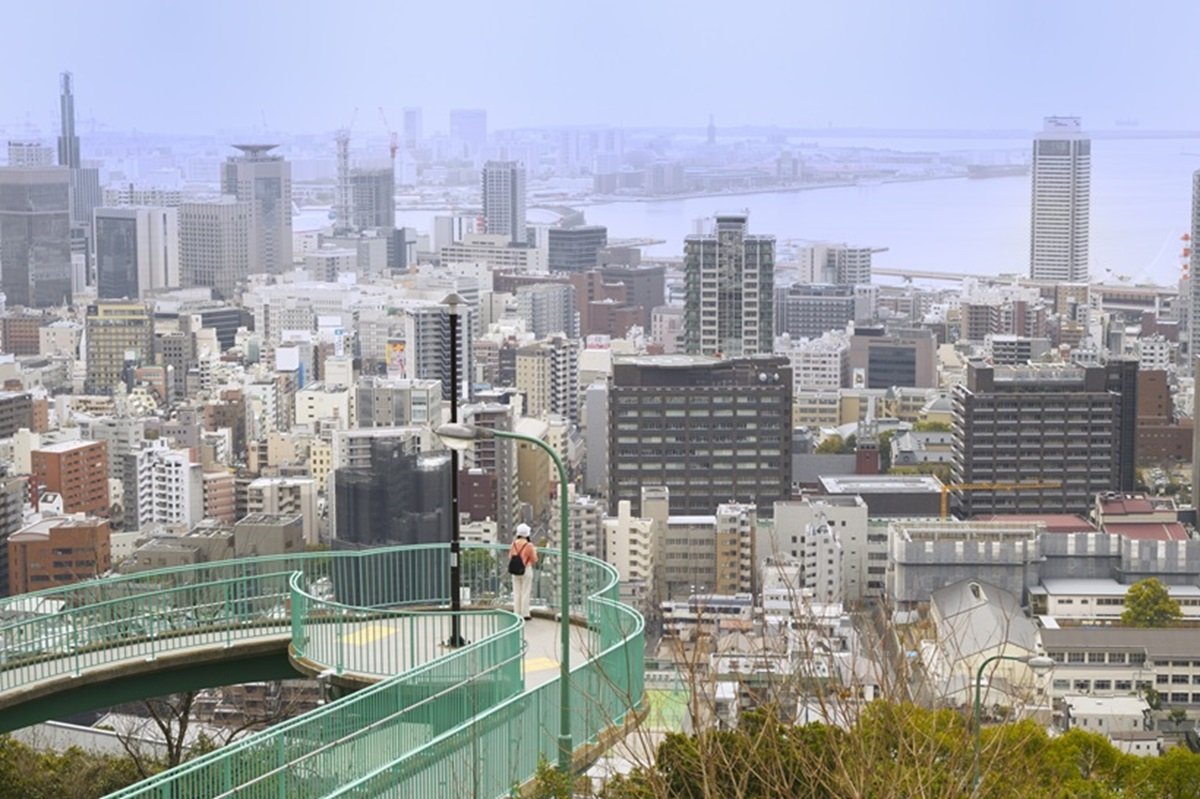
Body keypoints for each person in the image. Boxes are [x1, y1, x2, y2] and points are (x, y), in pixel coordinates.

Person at [509, 524, 538, 620]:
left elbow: (510, 556)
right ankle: (525, 613)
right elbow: (534, 559)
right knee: (525, 591)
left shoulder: (513, 544)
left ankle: (516, 612)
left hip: (515, 570)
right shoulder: (529, 545)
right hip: (526, 569)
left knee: (516, 591)